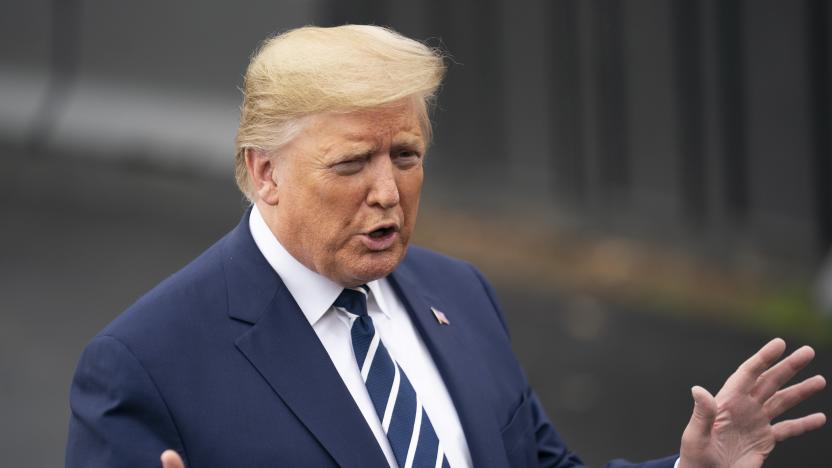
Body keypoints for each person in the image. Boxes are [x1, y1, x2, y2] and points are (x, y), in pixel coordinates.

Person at [65, 25, 826, 468]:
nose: (388, 193)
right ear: (264, 172)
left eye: (405, 155)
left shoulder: (458, 292)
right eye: (351, 165)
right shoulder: (146, 365)